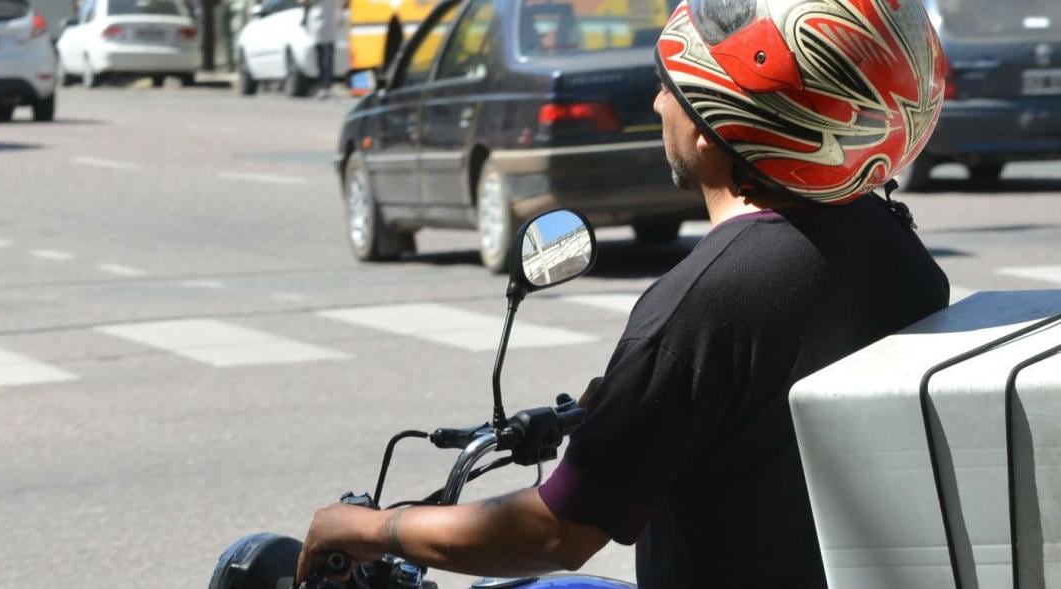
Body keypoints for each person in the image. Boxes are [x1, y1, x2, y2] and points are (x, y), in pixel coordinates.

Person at [295, 0, 951, 586]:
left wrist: (369, 527)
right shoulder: (891, 240)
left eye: (670, 86)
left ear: (710, 127)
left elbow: (557, 530)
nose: (659, 103)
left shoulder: (706, 301)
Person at [301, 0, 340, 98]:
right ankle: (323, 86)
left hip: (325, 23)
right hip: (321, 24)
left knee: (326, 59)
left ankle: (325, 86)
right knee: (323, 58)